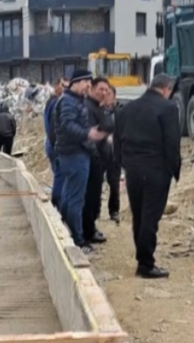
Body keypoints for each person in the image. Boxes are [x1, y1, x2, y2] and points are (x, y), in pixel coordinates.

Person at [115, 73, 181, 279]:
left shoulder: (128, 108)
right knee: (150, 216)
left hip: (133, 169)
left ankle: (142, 258)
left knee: (139, 214)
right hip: (156, 169)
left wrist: (124, 165)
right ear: (167, 89)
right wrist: (173, 170)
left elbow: (117, 141)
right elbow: (172, 143)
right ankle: (145, 264)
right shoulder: (168, 108)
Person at [55, 69, 108, 253]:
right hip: (74, 154)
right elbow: (67, 125)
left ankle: (66, 231)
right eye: (87, 82)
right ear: (77, 82)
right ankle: (78, 241)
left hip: (76, 153)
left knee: (70, 197)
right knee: (76, 200)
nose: (88, 86)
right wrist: (88, 133)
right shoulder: (69, 101)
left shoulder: (74, 100)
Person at [83, 77, 113, 245]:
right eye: (100, 89)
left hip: (100, 160)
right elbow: (89, 136)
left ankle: (91, 228)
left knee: (95, 197)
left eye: (106, 90)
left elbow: (108, 127)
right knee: (89, 198)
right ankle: (86, 233)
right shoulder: (88, 108)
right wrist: (95, 159)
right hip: (93, 160)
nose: (103, 93)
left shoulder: (99, 108)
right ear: (92, 89)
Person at [44, 77, 68, 209]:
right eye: (62, 85)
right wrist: (58, 146)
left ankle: (58, 202)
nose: (65, 89)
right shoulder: (55, 104)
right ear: (56, 86)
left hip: (51, 144)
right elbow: (53, 128)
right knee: (60, 175)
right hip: (55, 146)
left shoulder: (51, 102)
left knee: (59, 174)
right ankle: (57, 203)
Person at [103, 86, 122, 223]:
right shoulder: (97, 111)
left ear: (114, 97)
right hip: (99, 152)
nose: (106, 96)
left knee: (114, 183)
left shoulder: (120, 112)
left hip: (115, 153)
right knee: (95, 183)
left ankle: (114, 210)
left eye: (109, 94)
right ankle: (94, 212)